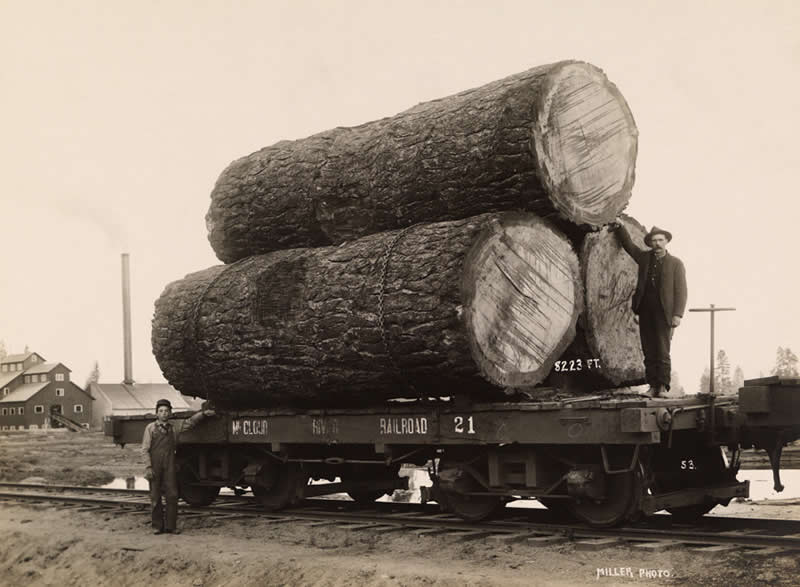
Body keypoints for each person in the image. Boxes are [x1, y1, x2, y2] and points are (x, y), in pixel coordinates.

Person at [610, 222, 687, 397]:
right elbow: (629, 247)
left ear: (666, 241)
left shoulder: (676, 263)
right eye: (654, 241)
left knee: (662, 351)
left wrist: (678, 314)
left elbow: (681, 291)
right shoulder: (644, 258)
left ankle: (663, 387)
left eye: (660, 240)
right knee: (648, 350)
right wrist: (620, 227)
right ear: (650, 243)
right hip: (645, 311)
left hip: (664, 313)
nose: (657, 243)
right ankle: (652, 386)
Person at [141, 399, 215, 535]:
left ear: (170, 413)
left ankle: (171, 526)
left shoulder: (174, 428)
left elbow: (190, 423)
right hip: (155, 466)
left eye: (166, 411)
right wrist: (148, 467)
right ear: (156, 413)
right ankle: (157, 526)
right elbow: (145, 449)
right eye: (161, 411)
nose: (164, 413)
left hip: (170, 464)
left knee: (173, 495)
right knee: (155, 497)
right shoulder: (150, 428)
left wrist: (203, 414)